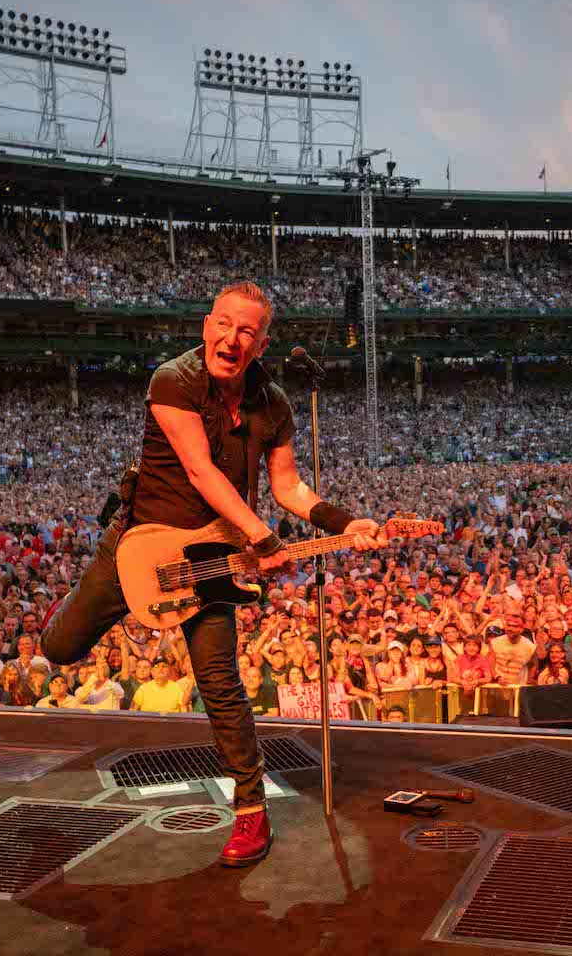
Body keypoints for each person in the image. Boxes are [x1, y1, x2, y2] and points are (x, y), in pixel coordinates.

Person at [40, 282, 389, 868]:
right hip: (142, 543)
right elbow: (202, 473)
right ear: (207, 325)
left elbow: (288, 487)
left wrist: (344, 521)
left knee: (221, 682)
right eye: (224, 324)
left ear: (261, 342)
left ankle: (251, 812)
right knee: (62, 648)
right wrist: (265, 538)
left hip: (211, 558)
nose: (232, 338)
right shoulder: (173, 381)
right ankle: (90, 608)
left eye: (247, 330)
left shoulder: (273, 404)